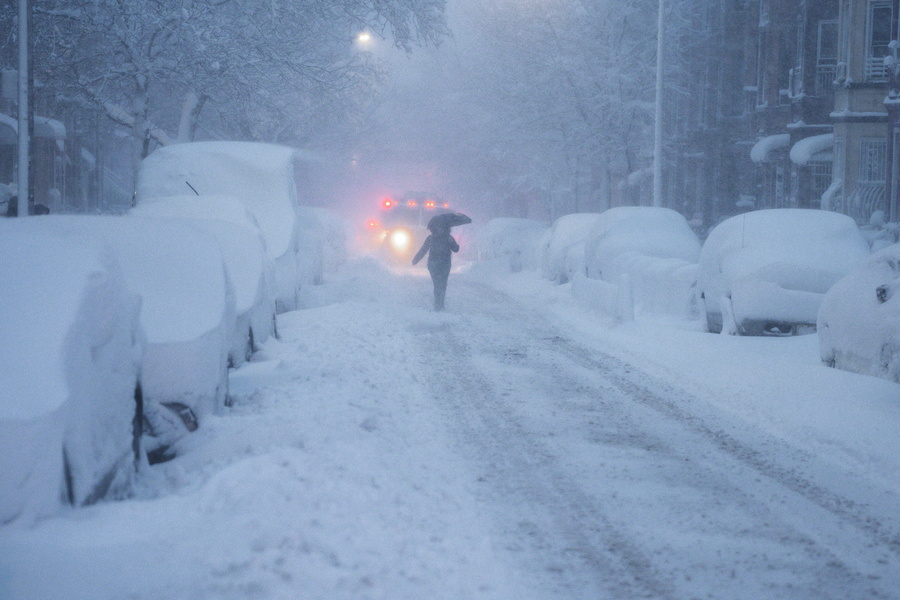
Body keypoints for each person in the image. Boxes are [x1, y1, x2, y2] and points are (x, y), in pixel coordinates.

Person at [412, 223, 459, 311]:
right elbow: (456, 249)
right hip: (444, 264)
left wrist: (416, 259)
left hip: (433, 264)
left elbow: (423, 250)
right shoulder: (448, 237)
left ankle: (438, 304)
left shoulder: (431, 237)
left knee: (437, 284)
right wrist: (452, 242)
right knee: (442, 284)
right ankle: (440, 304)